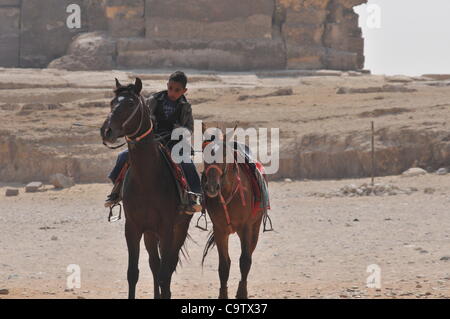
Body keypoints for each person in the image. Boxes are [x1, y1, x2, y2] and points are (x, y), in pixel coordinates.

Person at [105, 71, 203, 214]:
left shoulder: (185, 107)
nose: (172, 92)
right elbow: (142, 118)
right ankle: (116, 191)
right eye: (171, 88)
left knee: (187, 163)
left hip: (174, 143)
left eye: (177, 90)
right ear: (167, 85)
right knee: (123, 156)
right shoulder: (154, 100)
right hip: (152, 140)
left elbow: (189, 129)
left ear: (184, 91)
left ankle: (194, 196)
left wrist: (178, 129)